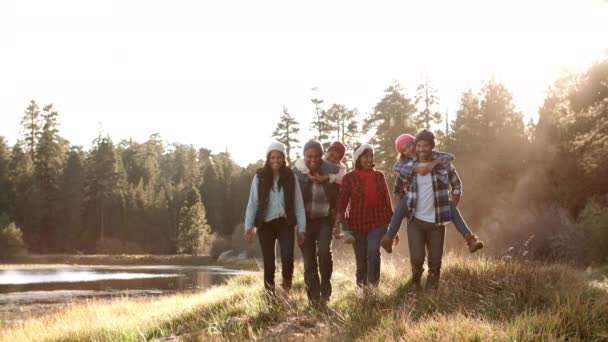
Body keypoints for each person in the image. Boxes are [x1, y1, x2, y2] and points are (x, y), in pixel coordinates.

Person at [381, 133, 484, 254]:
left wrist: (433, 164)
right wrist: (404, 208)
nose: (409, 150)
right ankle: (389, 237)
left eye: (410, 145)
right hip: (413, 200)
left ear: (416, 144)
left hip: (435, 199)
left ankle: (470, 240)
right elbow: (398, 171)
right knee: (401, 206)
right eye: (404, 150)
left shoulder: (431, 155)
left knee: (451, 207)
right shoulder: (404, 163)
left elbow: (448, 157)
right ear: (402, 154)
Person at [244, 141, 306, 298]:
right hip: (265, 225)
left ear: (284, 158)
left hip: (285, 223)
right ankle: (269, 295)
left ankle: (286, 291)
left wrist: (302, 228)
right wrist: (248, 226)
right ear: (268, 158)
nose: (275, 160)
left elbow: (299, 204)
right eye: (272, 157)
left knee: (287, 257)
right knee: (269, 262)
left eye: (279, 157)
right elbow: (252, 203)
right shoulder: (259, 177)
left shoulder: (291, 177)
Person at [335, 143, 393, 287]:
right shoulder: (349, 177)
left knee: (373, 252)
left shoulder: (379, 176)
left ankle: (374, 288)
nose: (369, 159)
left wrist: (392, 229)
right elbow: (343, 202)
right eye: (365, 157)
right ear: (358, 159)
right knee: (361, 260)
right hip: (357, 223)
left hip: (378, 222)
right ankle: (362, 290)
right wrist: (338, 223)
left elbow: (387, 200)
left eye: (371, 156)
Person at [293, 139, 341, 306]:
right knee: (309, 260)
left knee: (323, 253)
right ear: (304, 156)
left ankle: (325, 292)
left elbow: (343, 175)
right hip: (304, 223)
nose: (313, 160)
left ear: (322, 156)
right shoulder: (297, 173)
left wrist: (338, 221)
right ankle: (314, 300)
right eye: (309, 156)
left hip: (324, 221)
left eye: (316, 156)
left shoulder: (331, 170)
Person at [294, 141, 355, 243]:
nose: (332, 160)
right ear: (326, 152)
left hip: (331, 201)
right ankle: (339, 227)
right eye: (331, 155)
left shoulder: (339, 167)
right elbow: (298, 163)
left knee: (341, 203)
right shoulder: (318, 160)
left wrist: (327, 177)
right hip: (309, 212)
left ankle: (344, 229)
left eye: (336, 159)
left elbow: (342, 177)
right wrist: (308, 174)